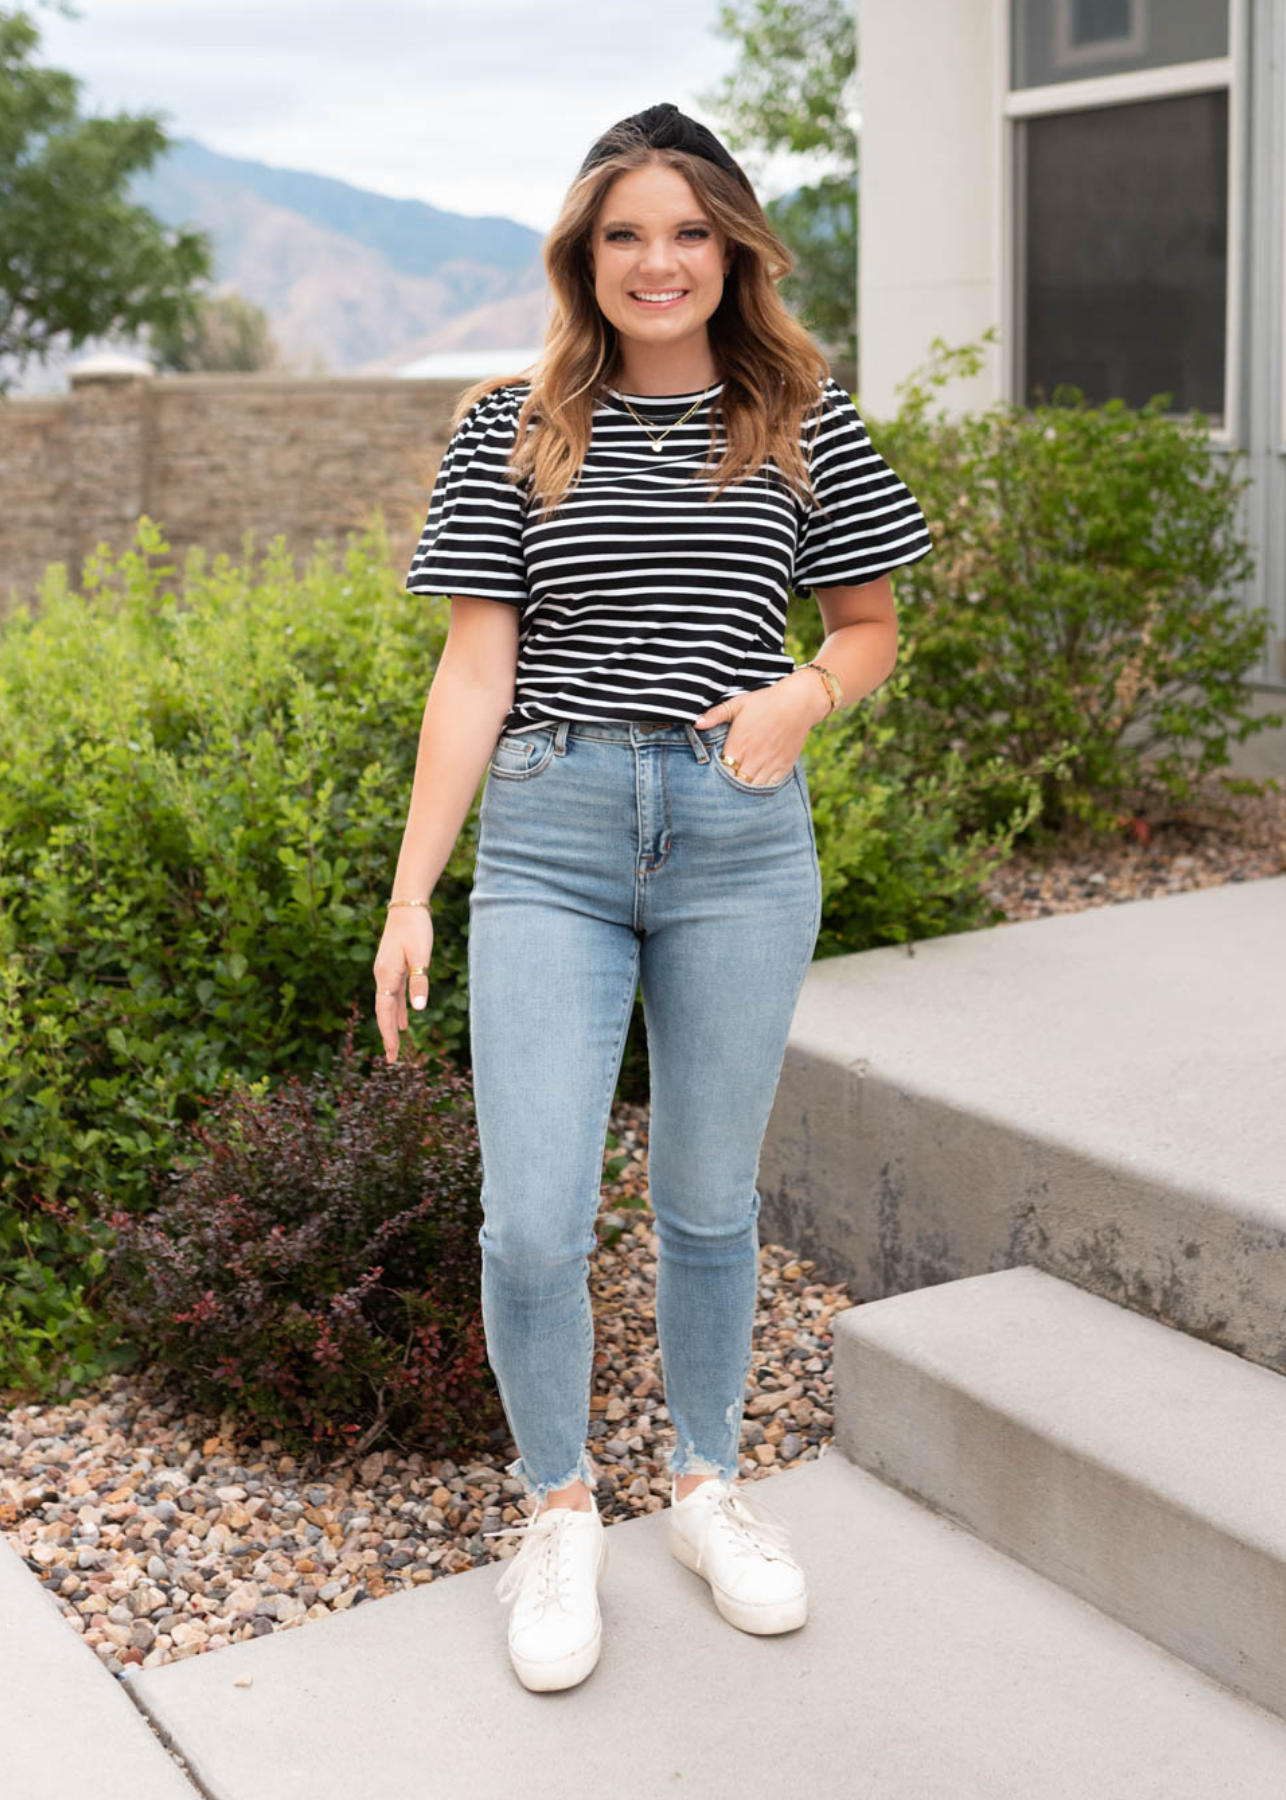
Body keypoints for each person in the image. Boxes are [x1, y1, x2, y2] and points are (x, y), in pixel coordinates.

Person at [374, 101, 933, 1693]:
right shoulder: (510, 424)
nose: (656, 260)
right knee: (533, 1216)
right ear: (583, 255)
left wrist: (801, 698)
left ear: (732, 248)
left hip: (738, 837)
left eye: (686, 231)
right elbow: (471, 668)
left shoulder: (802, 419)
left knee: (705, 1199)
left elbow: (870, 627)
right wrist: (413, 894)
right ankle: (558, 1509)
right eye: (624, 233)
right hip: (550, 837)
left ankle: (704, 1487)